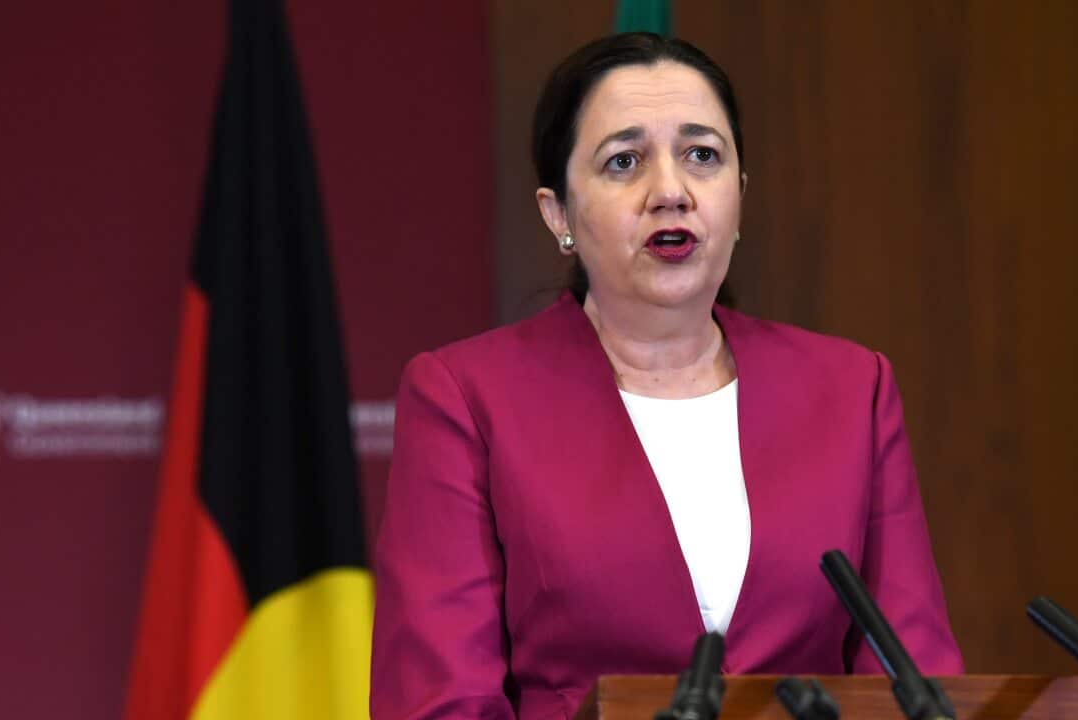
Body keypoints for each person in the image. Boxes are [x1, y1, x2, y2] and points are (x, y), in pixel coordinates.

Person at [370, 32, 962, 720]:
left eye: (702, 156)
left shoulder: (850, 388)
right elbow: (442, 701)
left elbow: (917, 677)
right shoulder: (467, 398)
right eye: (624, 161)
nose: (671, 192)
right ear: (557, 213)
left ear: (738, 195)